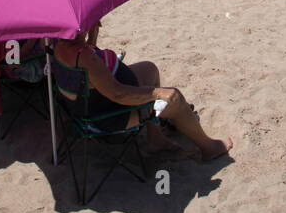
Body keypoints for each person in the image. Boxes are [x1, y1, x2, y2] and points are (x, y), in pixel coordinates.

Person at [53, 23, 232, 161]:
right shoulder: (86, 58)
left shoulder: (60, 46)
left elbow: (88, 71)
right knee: (174, 97)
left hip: (85, 104)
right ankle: (209, 148)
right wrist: (156, 93)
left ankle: (156, 139)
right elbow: (118, 94)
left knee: (149, 69)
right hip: (105, 117)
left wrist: (92, 34)